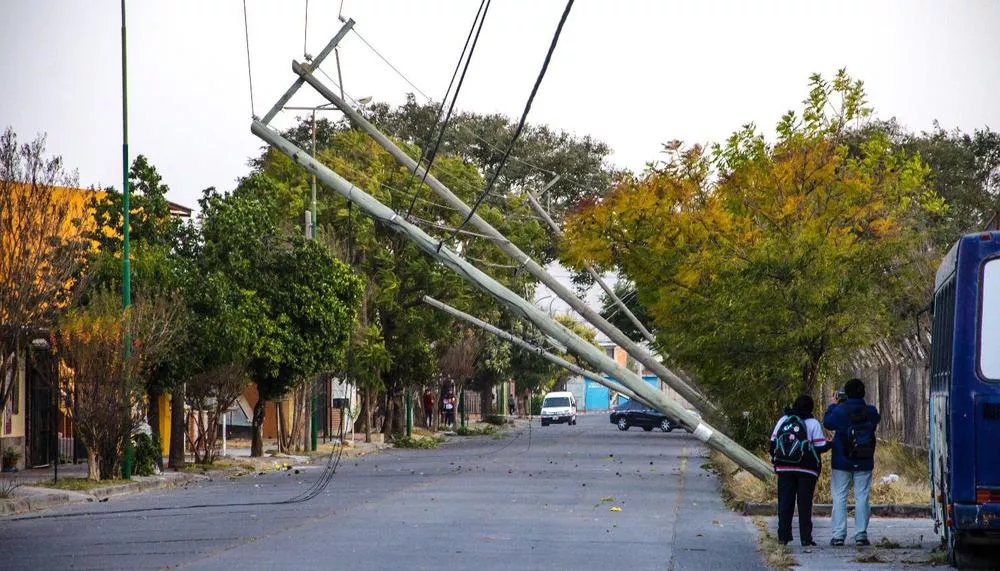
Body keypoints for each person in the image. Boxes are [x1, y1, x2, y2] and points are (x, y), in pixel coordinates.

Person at [824, 378, 881, 547]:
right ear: (863, 392)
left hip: (841, 461)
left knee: (840, 496)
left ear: (846, 394)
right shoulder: (870, 411)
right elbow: (875, 420)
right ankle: (861, 534)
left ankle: (838, 535)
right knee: (862, 496)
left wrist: (833, 404)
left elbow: (828, 422)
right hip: (864, 460)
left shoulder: (840, 411)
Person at [769, 394, 830, 546]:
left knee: (785, 502)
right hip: (806, 470)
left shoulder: (784, 420)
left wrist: (778, 459)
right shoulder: (813, 423)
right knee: (804, 504)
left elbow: (772, 443)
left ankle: (783, 536)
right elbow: (820, 447)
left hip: (784, 467)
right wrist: (832, 444)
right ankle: (806, 538)